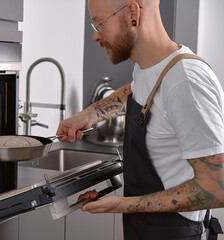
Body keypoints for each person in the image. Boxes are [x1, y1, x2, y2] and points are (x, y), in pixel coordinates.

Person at [56, 0, 224, 239]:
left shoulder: (185, 82)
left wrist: (122, 204)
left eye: (99, 24)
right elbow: (137, 91)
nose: (96, 37)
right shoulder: (153, 67)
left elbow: (216, 188)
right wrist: (89, 114)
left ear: (133, 14)